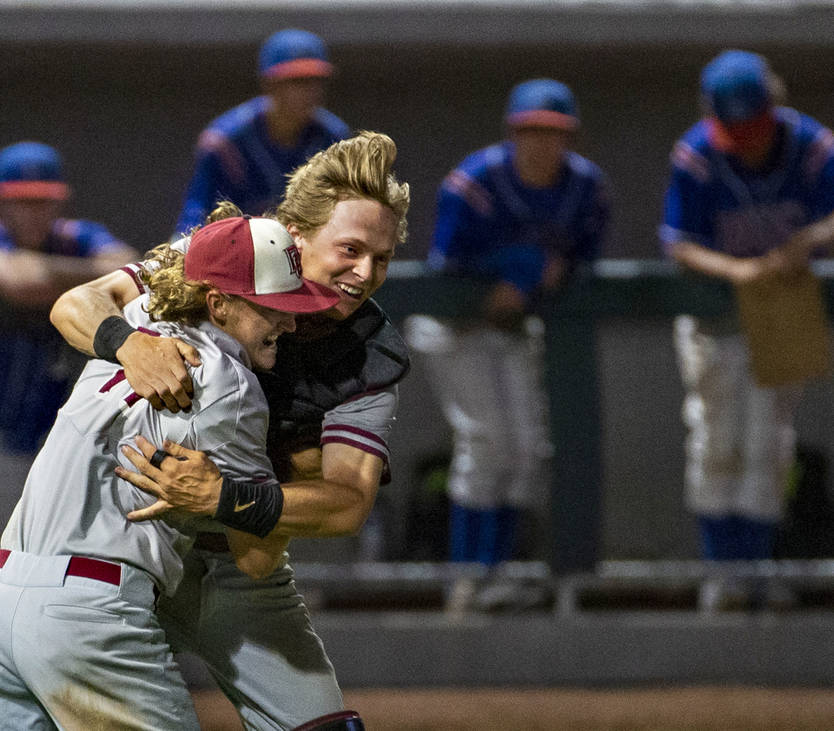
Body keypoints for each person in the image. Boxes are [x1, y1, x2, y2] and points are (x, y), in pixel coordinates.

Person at [50, 131, 408, 729]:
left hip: (236, 561)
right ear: (295, 235)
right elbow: (75, 304)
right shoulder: (223, 257)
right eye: (349, 249)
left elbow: (346, 505)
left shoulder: (369, 354)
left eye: (383, 258)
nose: (364, 272)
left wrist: (229, 496)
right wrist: (129, 344)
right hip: (124, 545)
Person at [0, 213, 341, 729]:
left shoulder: (137, 325)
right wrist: (295, 446)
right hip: (89, 614)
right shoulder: (232, 385)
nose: (290, 322)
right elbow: (255, 558)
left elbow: (76, 305)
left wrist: (126, 341)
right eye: (272, 306)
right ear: (218, 303)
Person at [404, 79, 610, 614]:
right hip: (457, 328)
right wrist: (503, 274)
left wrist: (549, 272)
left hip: (516, 329)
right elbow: (443, 270)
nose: (542, 143)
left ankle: (501, 572)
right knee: (486, 441)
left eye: (554, 132)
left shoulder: (585, 186)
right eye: (532, 131)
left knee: (526, 450)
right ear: (514, 132)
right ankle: (468, 578)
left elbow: (585, 260)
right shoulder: (473, 182)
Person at [0, 141, 134, 621]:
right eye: (21, 200)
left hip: (36, 447)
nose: (33, 212)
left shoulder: (78, 237)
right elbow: (18, 283)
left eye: (43, 200)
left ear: (60, 202)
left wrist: (52, 274)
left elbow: (127, 269)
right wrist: (82, 284)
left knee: (28, 595)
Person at [660, 50, 834, 612]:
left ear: (773, 107)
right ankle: (723, 577)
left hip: (781, 312)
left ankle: (755, 574)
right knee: (717, 442)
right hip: (715, 318)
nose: (749, 139)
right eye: (735, 128)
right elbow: (678, 242)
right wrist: (739, 271)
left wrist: (802, 243)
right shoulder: (698, 152)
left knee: (768, 444)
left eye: (754, 125)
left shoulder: (810, 145)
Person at [174, 28, 349, 235]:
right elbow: (195, 217)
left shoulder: (333, 139)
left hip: (306, 251)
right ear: (269, 84)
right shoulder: (225, 142)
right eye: (297, 82)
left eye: (315, 81)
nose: (309, 92)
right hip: (235, 252)